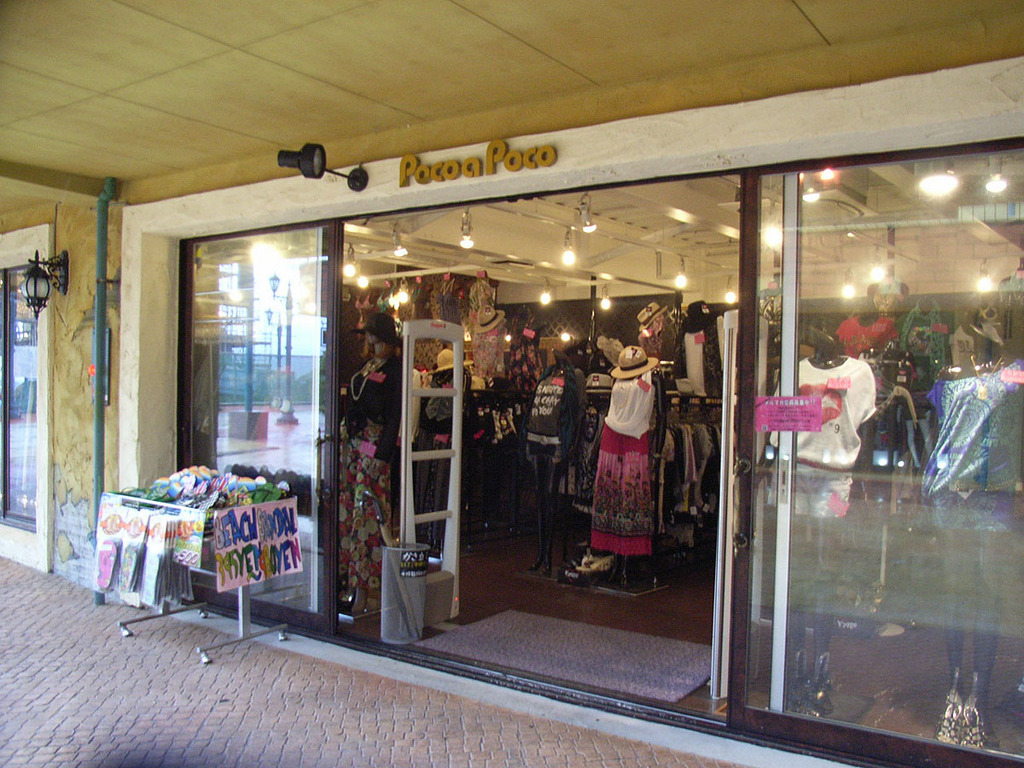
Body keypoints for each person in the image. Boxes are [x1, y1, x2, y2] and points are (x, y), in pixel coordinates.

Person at [338, 312, 402, 615]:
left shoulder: (394, 370)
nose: (367, 337)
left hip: (374, 447)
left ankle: (366, 587)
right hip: (354, 446)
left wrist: (382, 454)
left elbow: (395, 416)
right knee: (349, 512)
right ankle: (349, 582)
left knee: (367, 516)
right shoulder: (367, 366)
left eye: (372, 332)